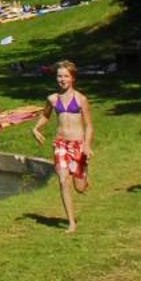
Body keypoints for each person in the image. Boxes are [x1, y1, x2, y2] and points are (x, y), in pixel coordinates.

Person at [30, 60, 93, 232]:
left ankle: (85, 179)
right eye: (59, 76)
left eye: (66, 76)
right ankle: (71, 222)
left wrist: (87, 145)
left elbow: (89, 125)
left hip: (78, 144)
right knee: (63, 180)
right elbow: (45, 116)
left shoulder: (81, 99)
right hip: (61, 144)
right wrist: (36, 128)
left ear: (72, 78)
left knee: (79, 187)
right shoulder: (52, 99)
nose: (62, 79)